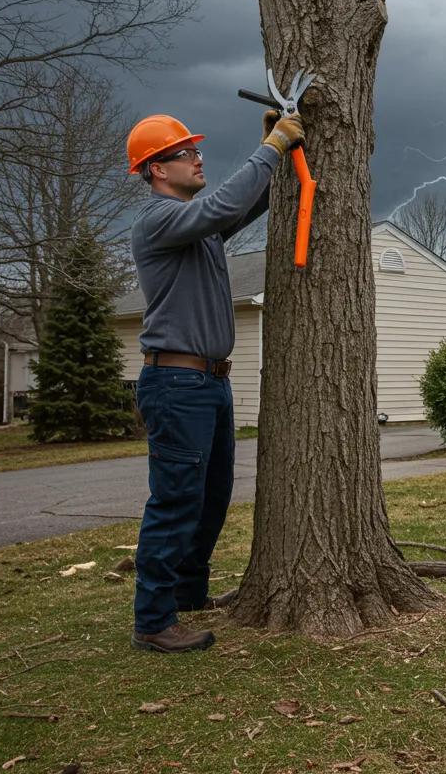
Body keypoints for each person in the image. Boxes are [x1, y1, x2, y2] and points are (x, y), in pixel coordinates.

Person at [125, 108, 303, 653]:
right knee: (176, 501)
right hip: (177, 385)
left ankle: (187, 596)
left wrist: (273, 152)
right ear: (157, 170)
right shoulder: (157, 220)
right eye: (186, 153)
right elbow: (225, 204)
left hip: (209, 385)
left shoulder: (196, 229)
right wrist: (271, 145)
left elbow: (246, 205)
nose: (198, 157)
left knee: (212, 496)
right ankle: (153, 622)